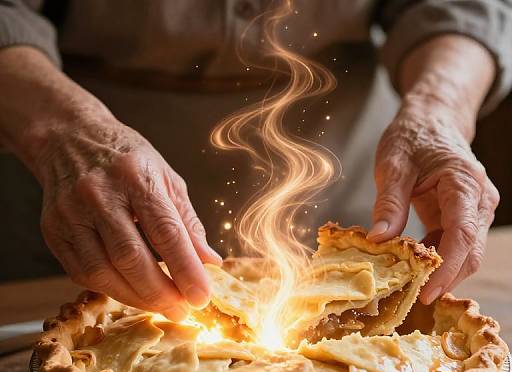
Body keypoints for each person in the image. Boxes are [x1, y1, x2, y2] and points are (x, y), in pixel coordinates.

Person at [0, 0, 510, 321]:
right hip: (81, 183)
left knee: (360, 312)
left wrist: (437, 109)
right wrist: (62, 129)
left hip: (350, 170)